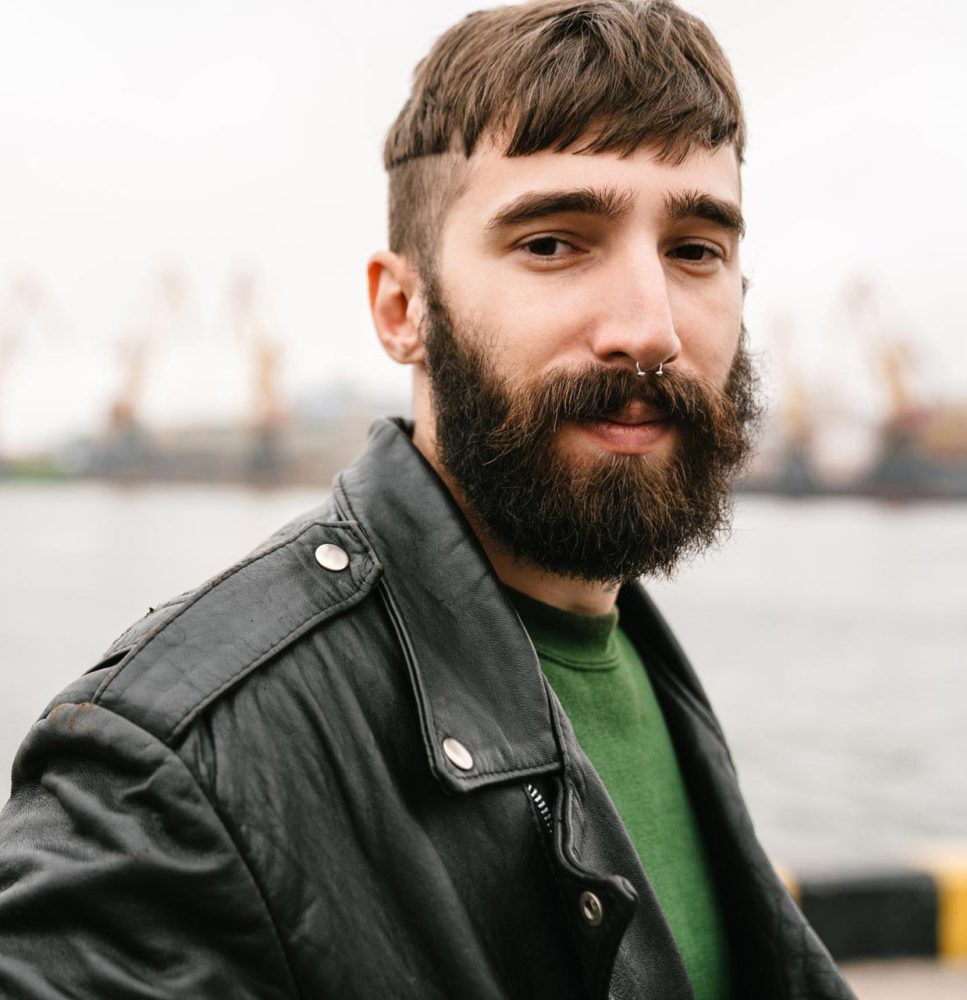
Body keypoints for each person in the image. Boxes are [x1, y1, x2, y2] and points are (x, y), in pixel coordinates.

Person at [0, 1, 855, 997]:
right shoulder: (180, 764)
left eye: (695, 250)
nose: (648, 328)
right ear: (401, 309)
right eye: (552, 242)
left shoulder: (642, 662)